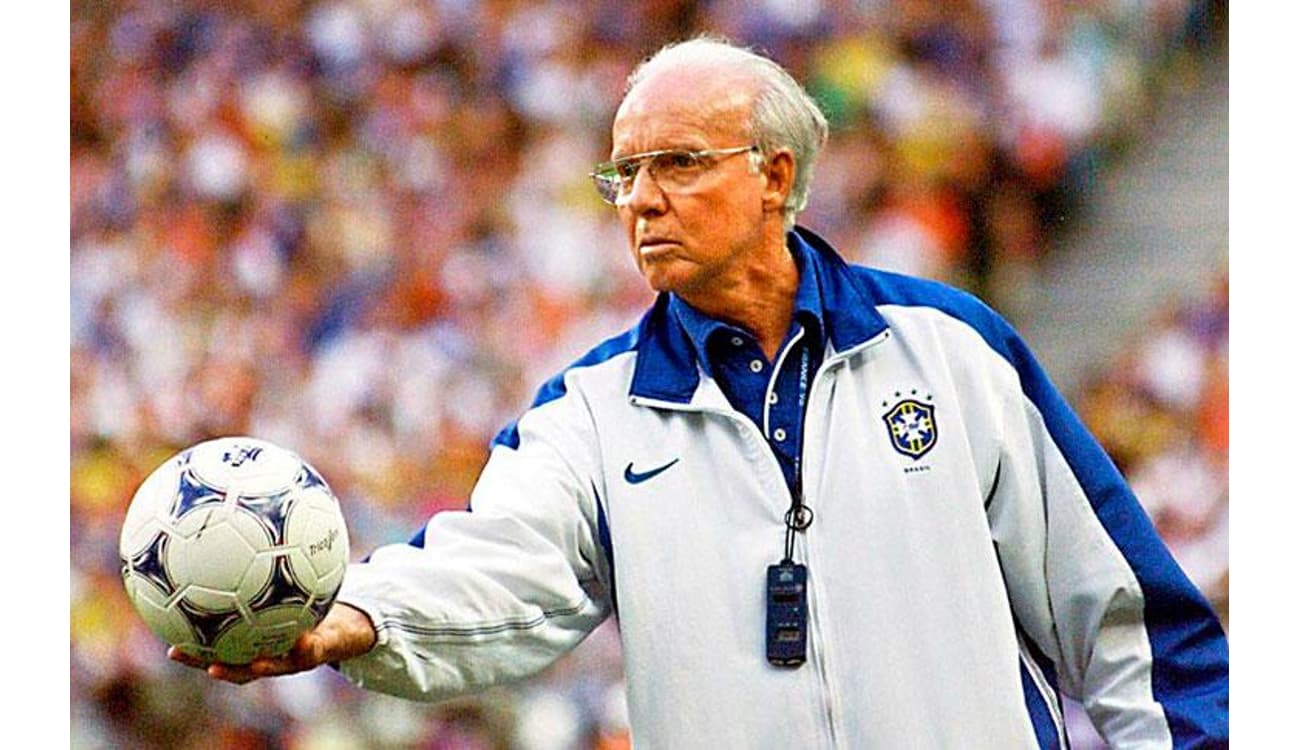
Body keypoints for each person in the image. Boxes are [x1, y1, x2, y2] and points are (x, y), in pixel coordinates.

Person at [173, 36, 1229, 748]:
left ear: (775, 175)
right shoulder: (585, 413)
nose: (639, 201)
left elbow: (1123, 616)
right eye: (622, 175)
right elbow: (497, 566)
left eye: (676, 163)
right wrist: (357, 615)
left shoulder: (952, 351)